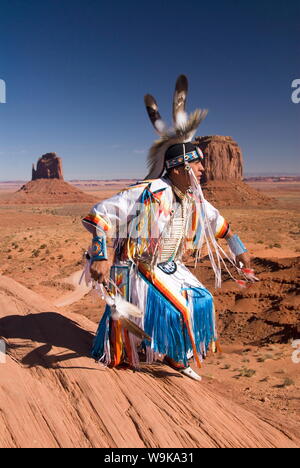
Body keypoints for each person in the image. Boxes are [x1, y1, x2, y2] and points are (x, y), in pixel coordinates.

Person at [82, 75, 253, 381]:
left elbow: (219, 223)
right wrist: (98, 256)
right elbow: (99, 214)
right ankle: (155, 353)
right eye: (197, 165)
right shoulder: (148, 192)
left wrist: (239, 249)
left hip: (168, 265)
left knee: (202, 300)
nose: (203, 170)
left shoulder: (193, 198)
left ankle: (167, 350)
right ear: (179, 168)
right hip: (136, 267)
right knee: (177, 310)